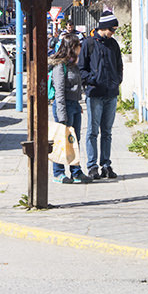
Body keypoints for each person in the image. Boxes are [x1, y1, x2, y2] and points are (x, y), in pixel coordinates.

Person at [79, 9, 124, 180]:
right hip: (95, 93)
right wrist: (93, 80)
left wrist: (117, 80)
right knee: (92, 131)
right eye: (112, 29)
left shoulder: (113, 44)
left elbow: (119, 65)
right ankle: (92, 166)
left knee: (107, 131)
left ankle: (106, 164)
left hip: (111, 93)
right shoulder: (89, 44)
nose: (113, 33)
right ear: (104, 27)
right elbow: (81, 68)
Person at [50, 27, 89, 184]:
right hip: (63, 106)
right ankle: (58, 172)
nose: (81, 48)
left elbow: (77, 86)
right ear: (71, 48)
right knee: (61, 140)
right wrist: (62, 114)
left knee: (74, 140)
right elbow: (59, 92)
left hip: (74, 105)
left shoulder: (74, 65)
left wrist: (77, 104)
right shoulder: (60, 66)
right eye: (78, 45)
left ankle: (76, 172)